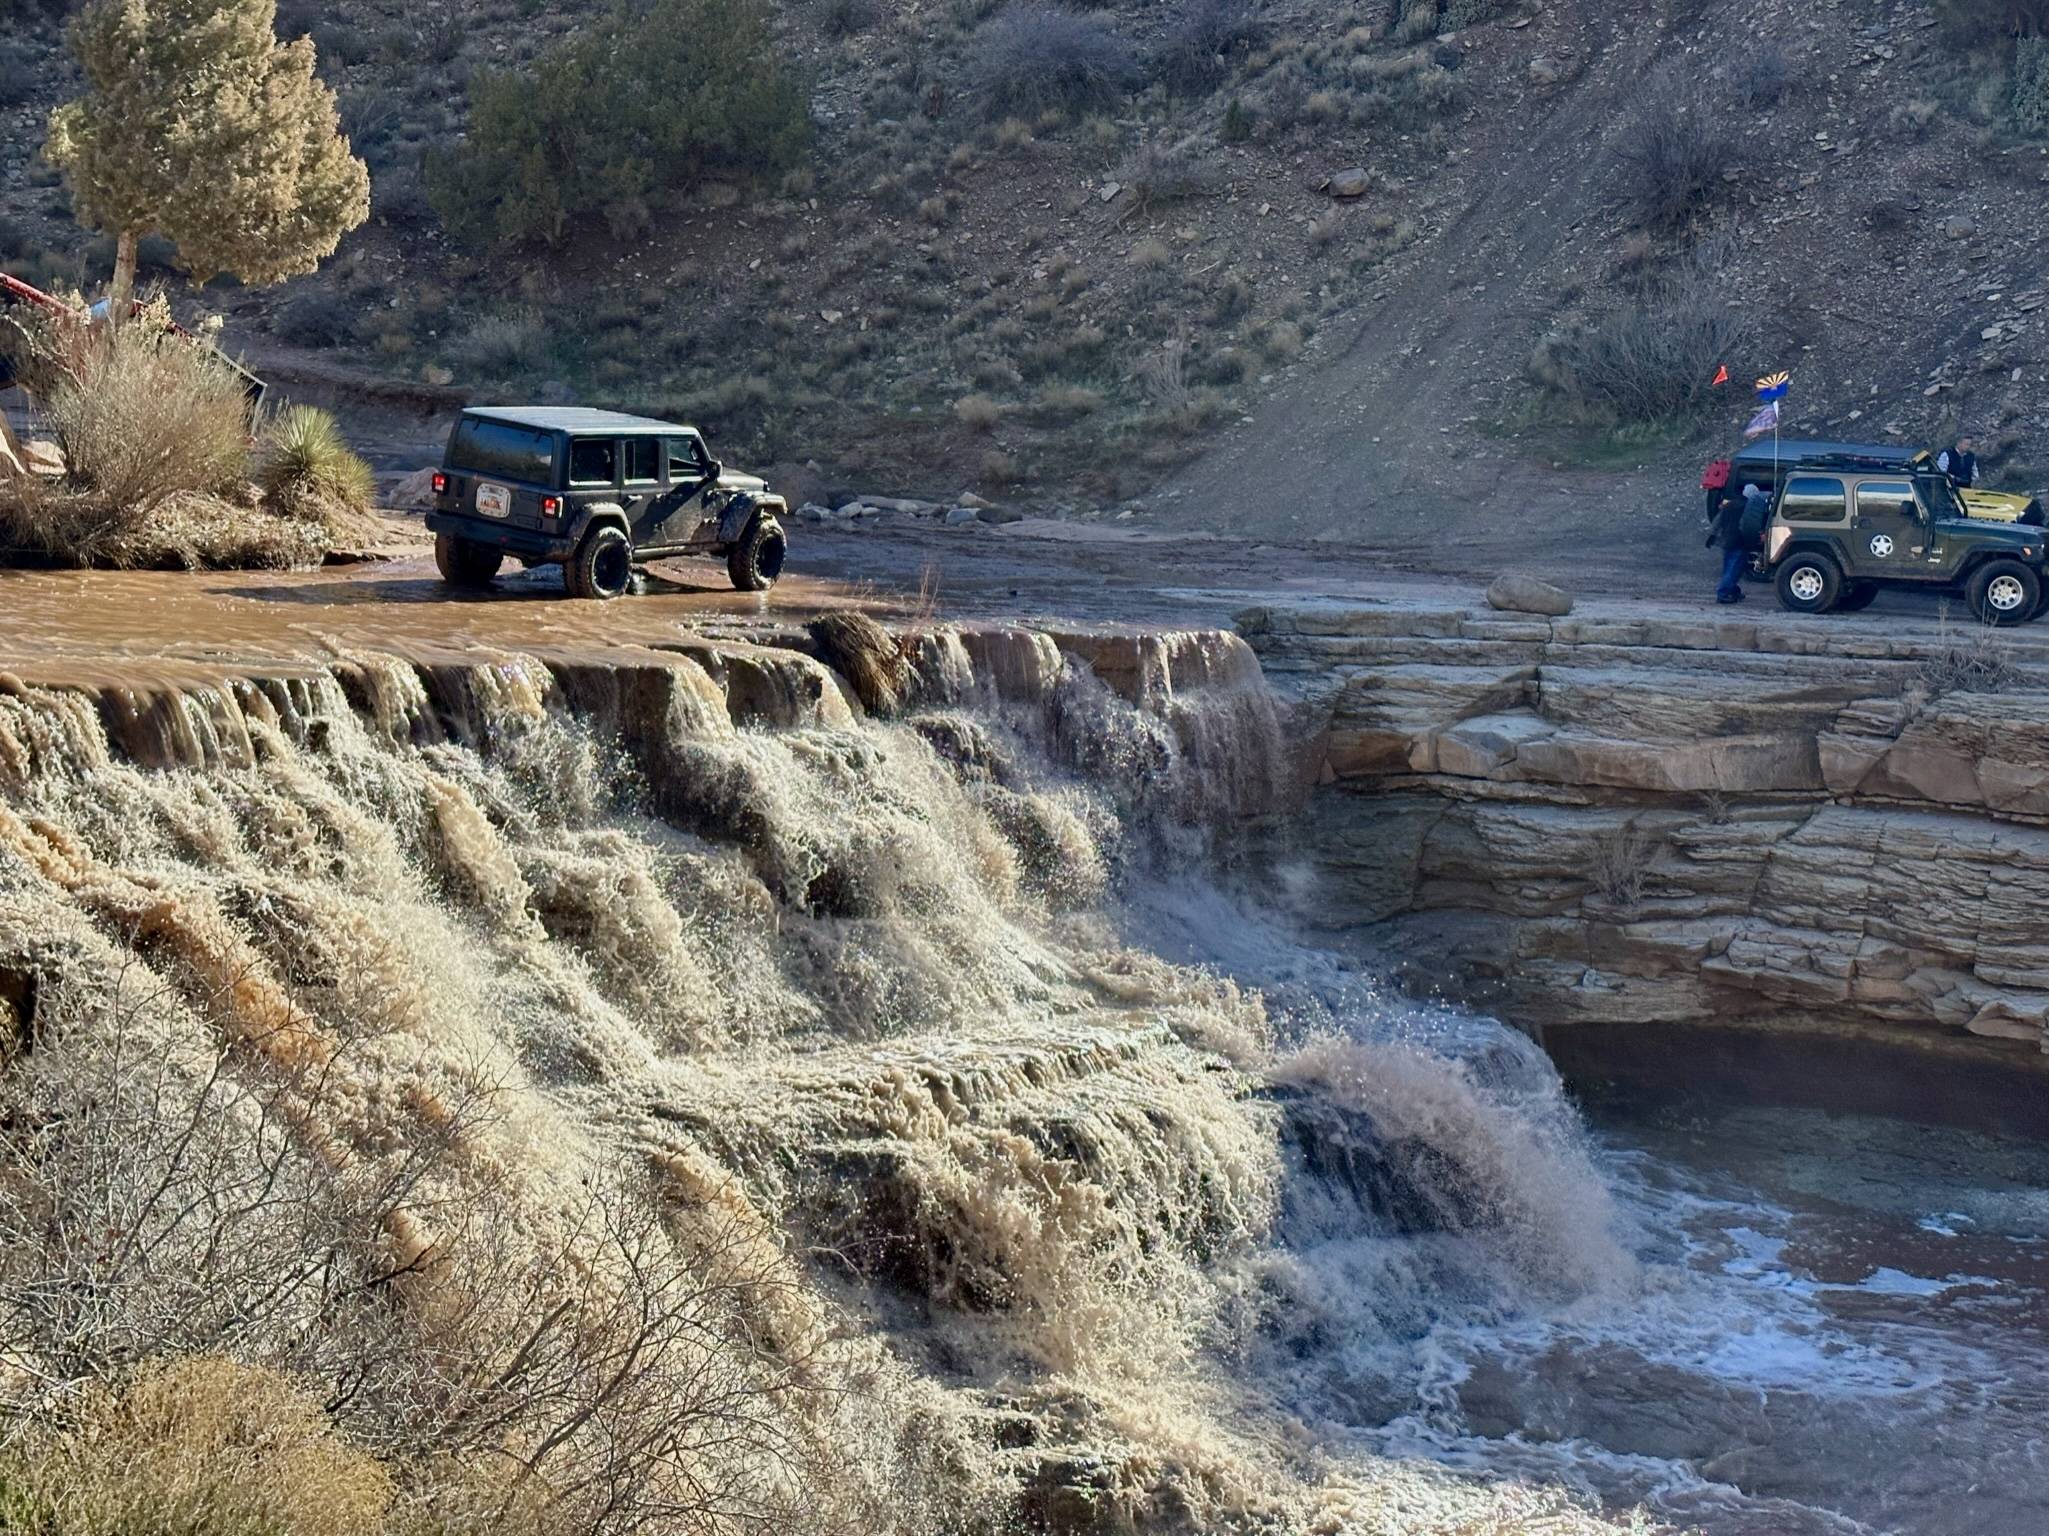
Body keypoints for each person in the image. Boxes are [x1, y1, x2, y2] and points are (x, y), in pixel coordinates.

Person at [1707, 491, 1751, 604]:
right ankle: (1723, 594)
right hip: (1739, 540)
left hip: (1726, 540)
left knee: (1728, 567)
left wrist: (1711, 536)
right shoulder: (1747, 507)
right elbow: (1745, 524)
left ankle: (1733, 591)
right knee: (1734, 568)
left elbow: (1717, 522)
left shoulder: (1728, 506)